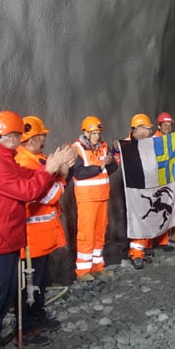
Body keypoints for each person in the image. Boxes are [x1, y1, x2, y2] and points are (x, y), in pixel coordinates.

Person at [0, 111, 76, 349]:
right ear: (11, 136)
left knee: (3, 297)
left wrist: (49, 169)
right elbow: (27, 191)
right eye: (18, 137)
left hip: (5, 238)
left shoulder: (0, 156)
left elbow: (27, 181)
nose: (20, 142)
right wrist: (51, 169)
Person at [13, 116, 70, 344]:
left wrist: (59, 171)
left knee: (40, 279)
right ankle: (26, 328)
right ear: (33, 138)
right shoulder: (25, 163)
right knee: (29, 282)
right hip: (30, 238)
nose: (45, 139)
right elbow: (49, 195)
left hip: (41, 236)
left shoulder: (36, 159)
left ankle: (38, 316)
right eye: (42, 135)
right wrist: (63, 178)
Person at [70, 116, 118, 281]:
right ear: (85, 133)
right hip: (87, 199)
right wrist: (100, 166)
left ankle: (97, 267)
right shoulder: (77, 148)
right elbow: (78, 173)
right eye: (94, 133)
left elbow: (112, 169)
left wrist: (110, 161)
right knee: (86, 233)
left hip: (102, 197)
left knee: (100, 233)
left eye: (98, 133)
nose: (97, 136)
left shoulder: (103, 147)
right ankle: (83, 271)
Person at [124, 113, 168, 270]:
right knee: (138, 220)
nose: (149, 132)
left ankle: (145, 248)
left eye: (150, 129)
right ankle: (136, 254)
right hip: (135, 188)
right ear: (137, 129)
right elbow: (118, 162)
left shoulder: (149, 143)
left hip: (149, 186)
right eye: (147, 129)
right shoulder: (126, 145)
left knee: (149, 218)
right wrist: (117, 152)